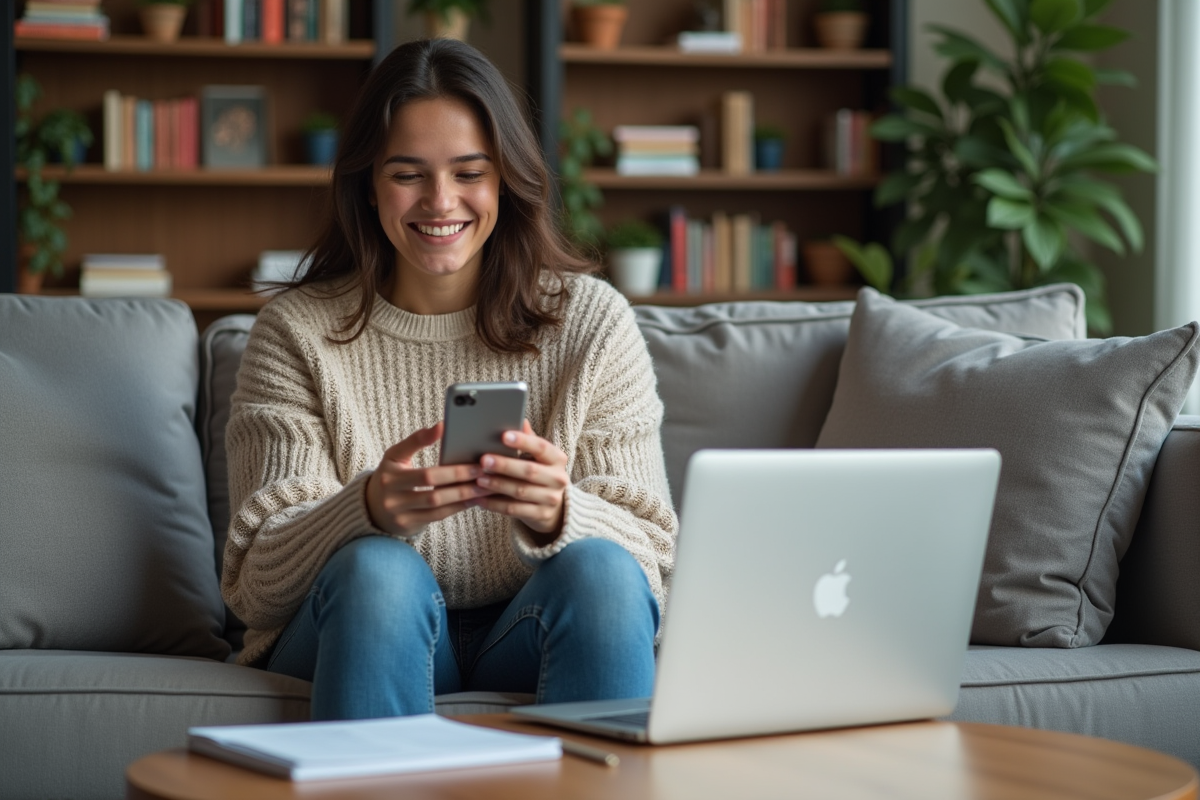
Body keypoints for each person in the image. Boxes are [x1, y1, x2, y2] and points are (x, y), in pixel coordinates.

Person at [221, 37, 678, 721]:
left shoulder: (591, 322)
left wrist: (561, 513)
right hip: (358, 616)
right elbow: (254, 586)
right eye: (408, 173)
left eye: (469, 172)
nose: (441, 201)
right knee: (379, 572)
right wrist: (367, 510)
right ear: (368, 185)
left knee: (607, 573)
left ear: (504, 181)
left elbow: (655, 563)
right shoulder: (296, 332)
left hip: (526, 625)